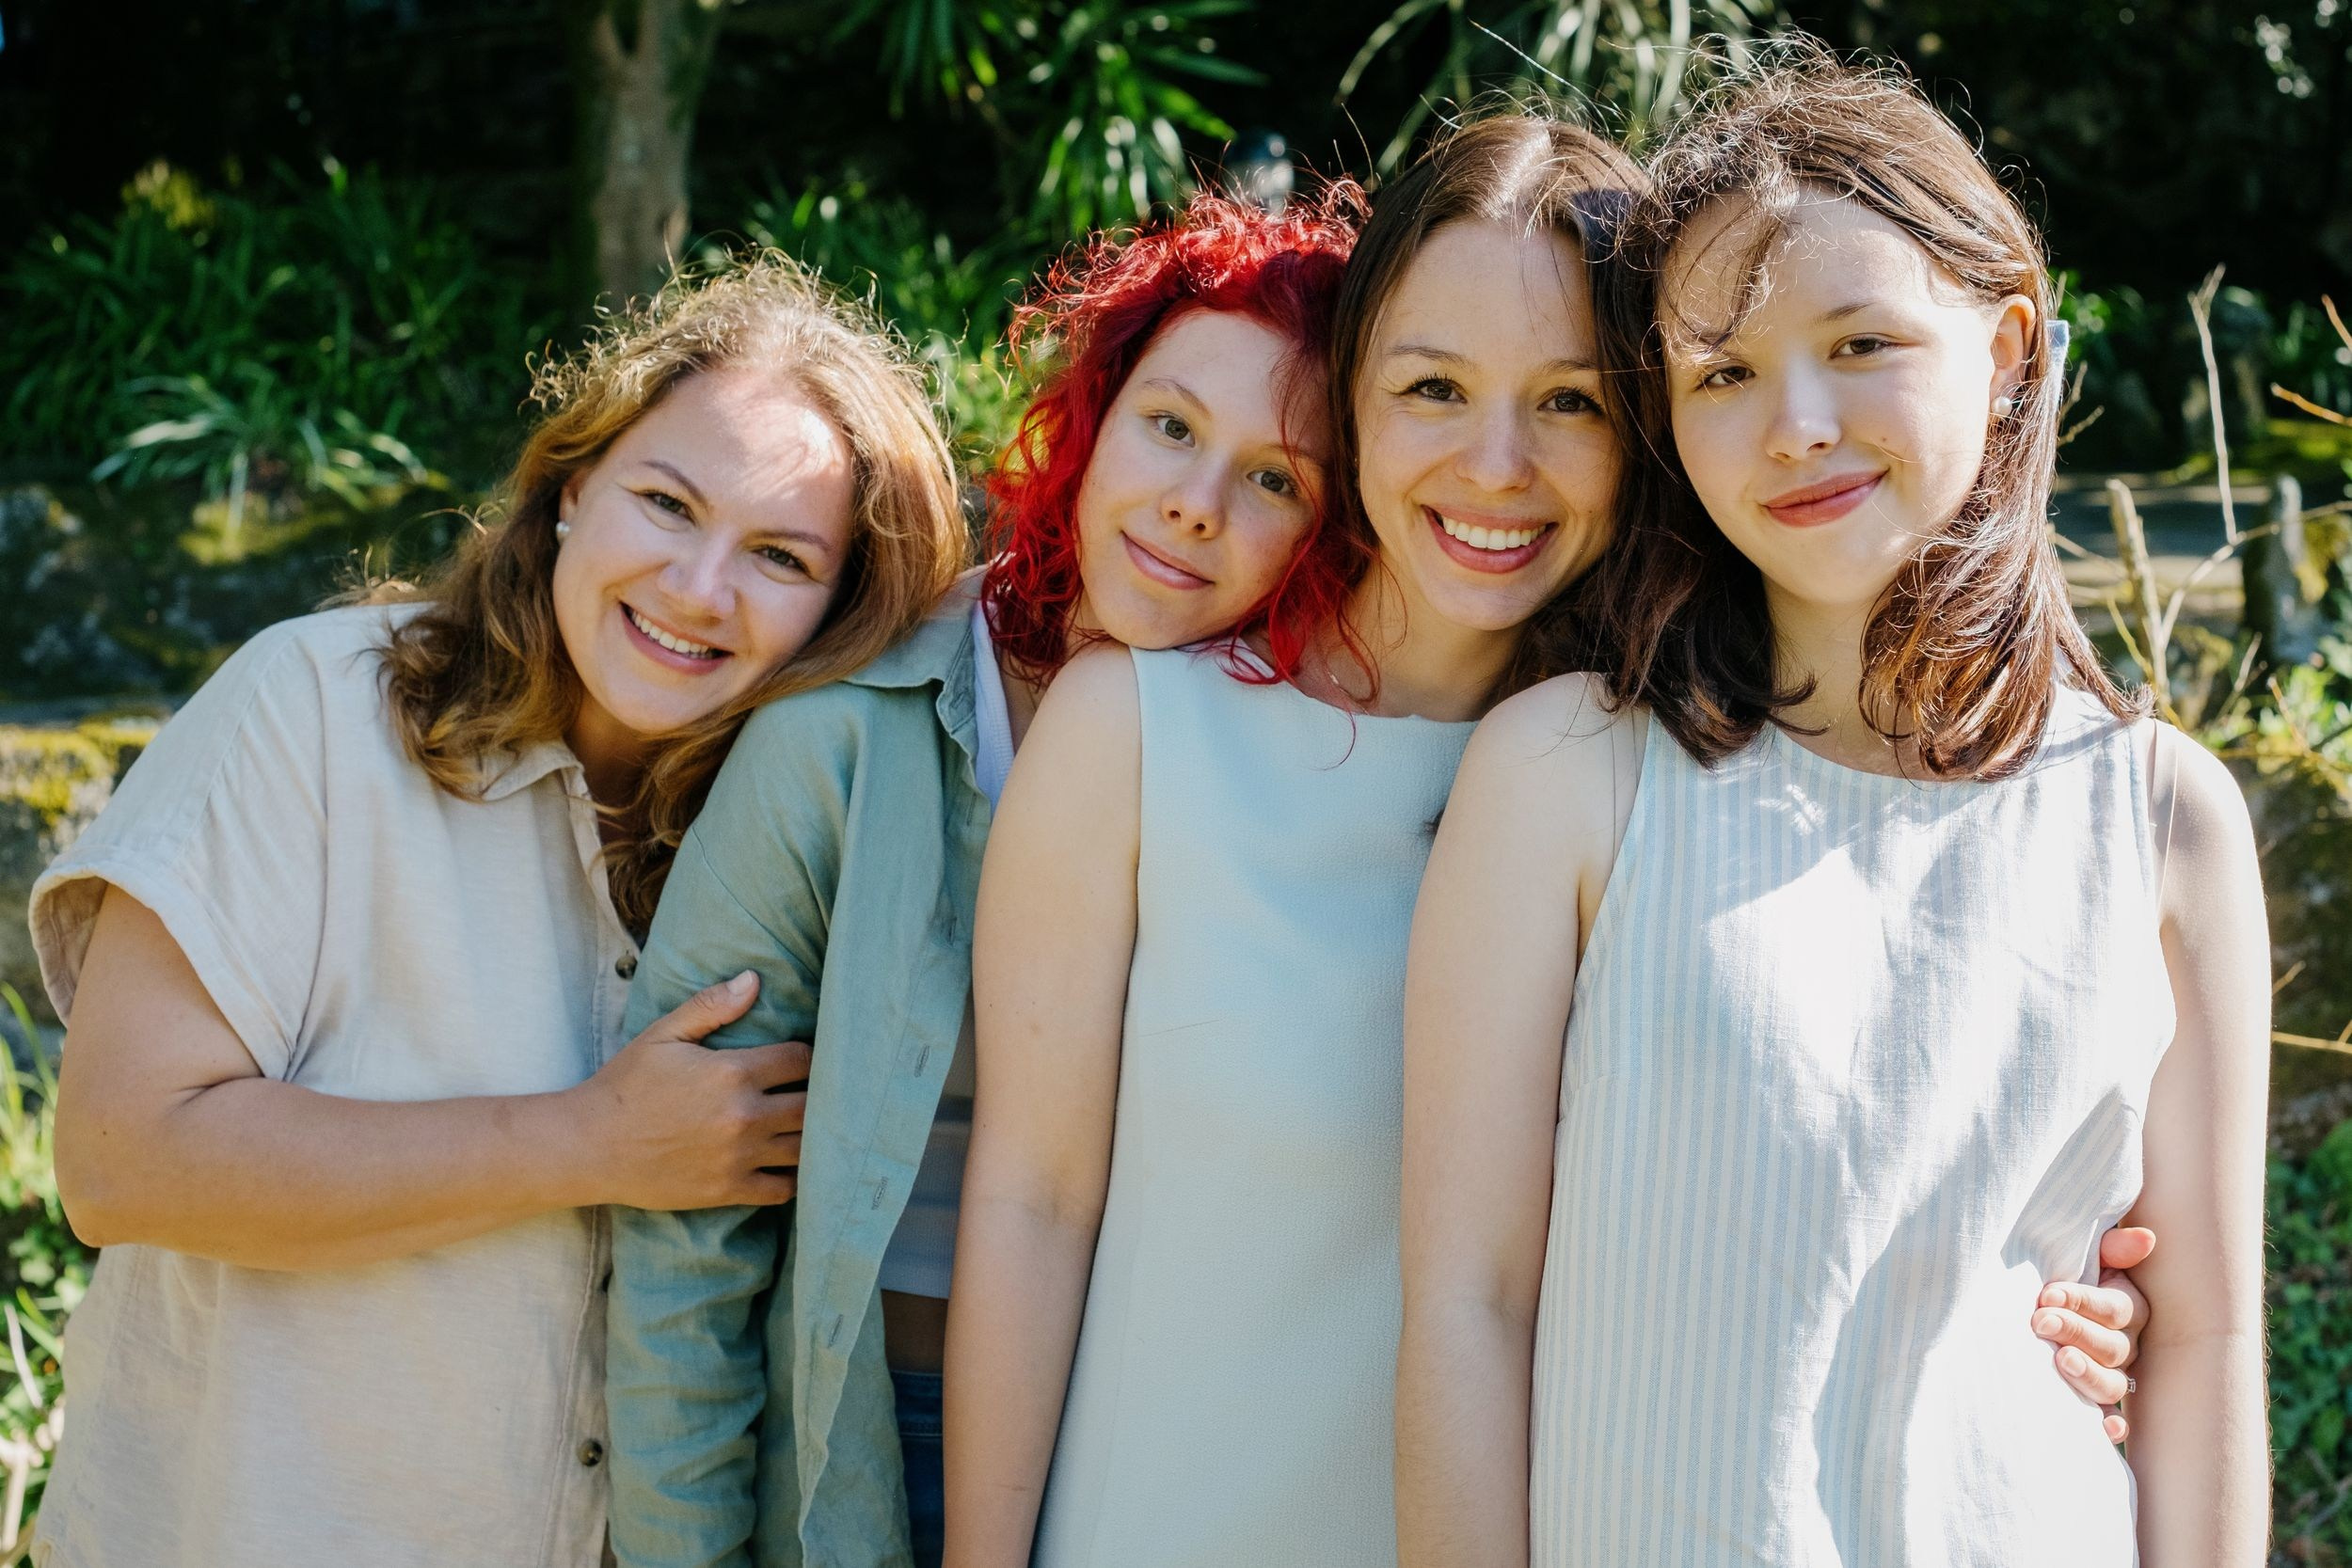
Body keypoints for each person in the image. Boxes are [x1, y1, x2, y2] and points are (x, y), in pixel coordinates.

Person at [1396, 54, 2268, 1567]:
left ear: (2007, 350)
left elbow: (2198, 1344)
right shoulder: (1570, 778)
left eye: (1860, 342)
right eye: (1722, 372)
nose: (1794, 423)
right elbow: (1471, 1308)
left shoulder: (2161, 817)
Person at [28, 256, 967, 1568]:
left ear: (840, 608)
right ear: (574, 486)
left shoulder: (802, 850)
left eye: (778, 554)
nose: (700, 587)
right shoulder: (309, 711)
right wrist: (588, 1142)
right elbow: (123, 1161)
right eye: (665, 501)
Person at [600, 186, 1361, 1568]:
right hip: (866, 1434)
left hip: (1175, 1433)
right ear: (1093, 418)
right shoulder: (844, 735)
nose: (1194, 508)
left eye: (1275, 478)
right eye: (1172, 428)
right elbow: (685, 1233)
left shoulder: (1312, 768)